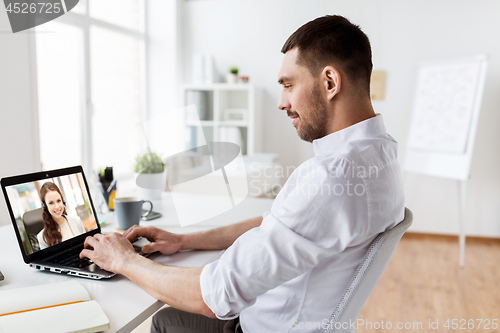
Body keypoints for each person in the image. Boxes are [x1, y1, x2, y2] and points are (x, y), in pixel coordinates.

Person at [80, 15, 405, 332]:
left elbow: (212, 295)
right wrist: (184, 240)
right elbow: (279, 223)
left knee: (165, 319)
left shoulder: (332, 178)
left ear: (330, 82)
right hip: (277, 315)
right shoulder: (381, 152)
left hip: (258, 325)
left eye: (289, 85)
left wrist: (125, 261)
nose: (282, 103)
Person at [37, 182, 86, 249]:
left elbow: (86, 247)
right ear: (45, 206)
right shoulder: (42, 237)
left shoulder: (76, 221)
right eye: (51, 203)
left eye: (58, 201)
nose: (57, 207)